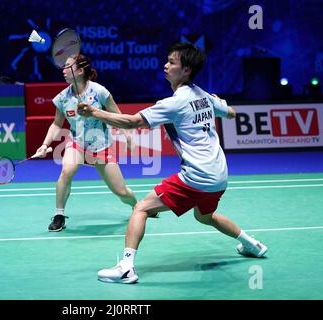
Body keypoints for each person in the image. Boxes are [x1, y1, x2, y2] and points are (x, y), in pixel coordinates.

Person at [77, 43, 268, 284]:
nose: (165, 65)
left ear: (186, 70)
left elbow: (132, 121)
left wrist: (95, 113)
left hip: (197, 176)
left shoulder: (175, 103)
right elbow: (231, 112)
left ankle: (126, 268)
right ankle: (252, 244)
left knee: (141, 208)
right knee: (205, 217)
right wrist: (221, 103)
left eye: (172, 62)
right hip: (219, 176)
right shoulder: (205, 97)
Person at [35, 54, 137, 232]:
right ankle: (59, 215)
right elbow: (56, 124)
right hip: (77, 143)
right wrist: (45, 144)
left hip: (101, 146)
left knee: (121, 192)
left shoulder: (99, 92)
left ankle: (137, 207)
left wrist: (128, 135)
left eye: (68, 67)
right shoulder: (62, 98)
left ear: (80, 71)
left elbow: (117, 115)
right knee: (67, 171)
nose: (63, 70)